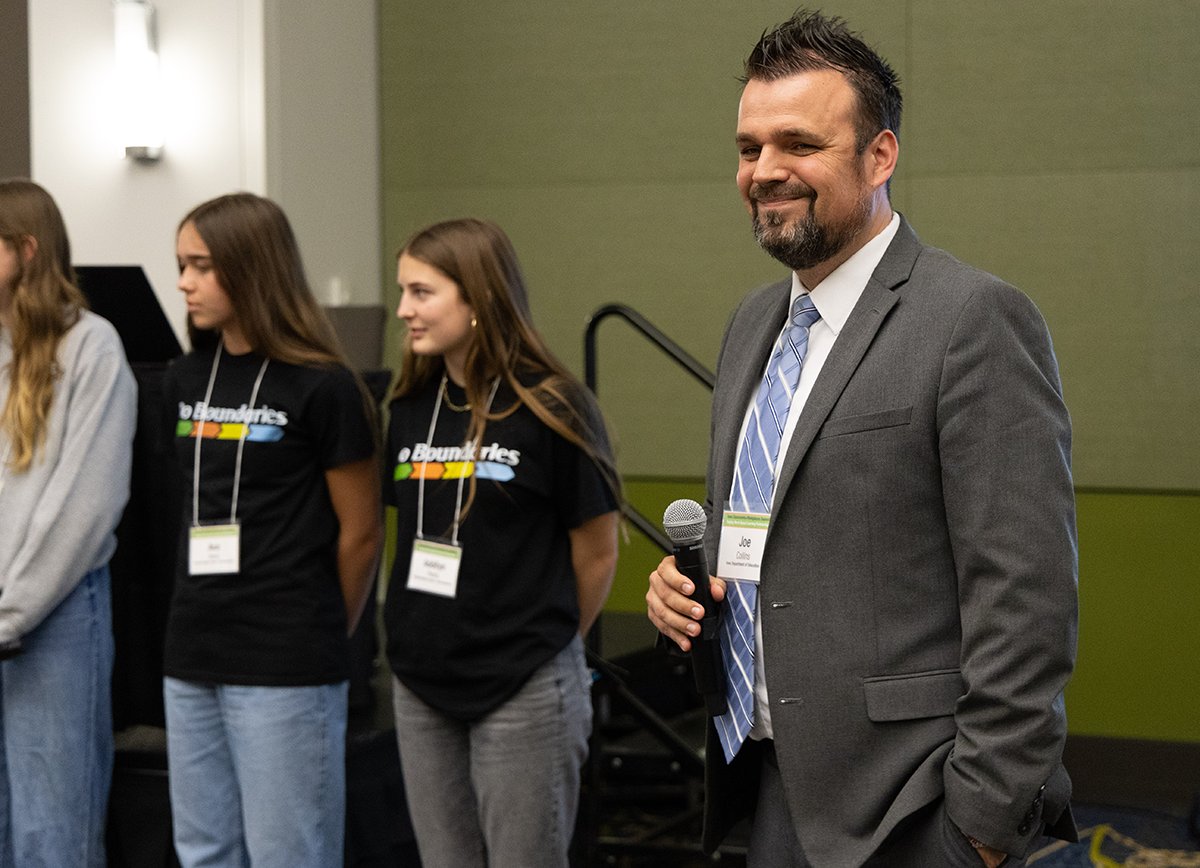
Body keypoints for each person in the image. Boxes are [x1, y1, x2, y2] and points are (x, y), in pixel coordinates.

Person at [646, 11, 1079, 867]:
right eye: (748, 147)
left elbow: (1025, 599)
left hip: (913, 807)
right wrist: (685, 599)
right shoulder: (753, 324)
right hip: (771, 784)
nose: (765, 171)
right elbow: (780, 537)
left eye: (798, 143)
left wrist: (979, 832)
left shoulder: (971, 320)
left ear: (878, 157)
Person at [383, 218, 620, 867]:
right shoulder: (410, 403)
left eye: (422, 292)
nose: (404, 309)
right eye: (403, 291)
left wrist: (545, 640)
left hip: (523, 685)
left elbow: (598, 551)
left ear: (480, 298)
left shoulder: (552, 406)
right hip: (421, 684)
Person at [162, 192, 382, 868]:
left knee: (289, 852)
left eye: (201, 266)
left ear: (250, 268)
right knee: (204, 851)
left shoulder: (324, 387)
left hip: (286, 656)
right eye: (181, 265)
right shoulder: (182, 376)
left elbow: (362, 533)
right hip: (193, 653)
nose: (184, 283)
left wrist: (317, 631)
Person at [0, 179, 136, 867]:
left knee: (53, 838)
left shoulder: (92, 347)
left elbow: (84, 505)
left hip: (51, 620)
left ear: (25, 251)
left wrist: (10, 614)